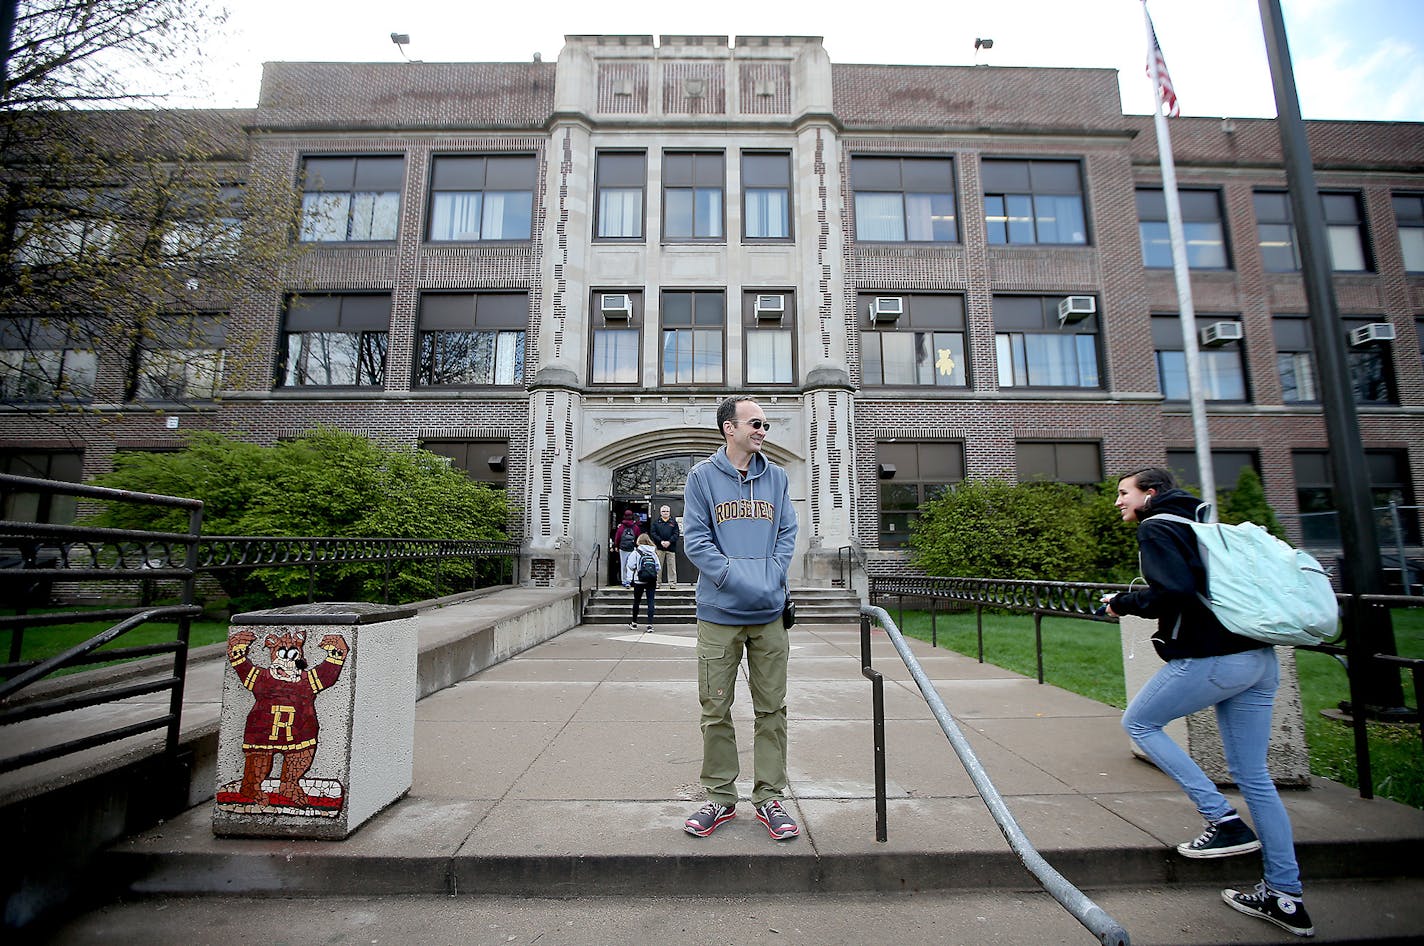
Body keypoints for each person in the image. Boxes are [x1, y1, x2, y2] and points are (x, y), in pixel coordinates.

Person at [1105, 467, 1313, 938]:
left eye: (1123, 494)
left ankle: (1222, 819)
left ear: (1150, 494)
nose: (1118, 502)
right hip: (1259, 657)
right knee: (1255, 777)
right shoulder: (1203, 525)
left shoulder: (1157, 525)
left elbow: (1172, 592)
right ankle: (1285, 895)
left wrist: (1123, 602)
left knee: (1139, 723)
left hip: (1215, 658)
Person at [680, 395, 799, 842]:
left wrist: (770, 575)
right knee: (715, 710)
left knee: (772, 709)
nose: (762, 430)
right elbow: (695, 539)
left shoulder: (778, 479)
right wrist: (735, 576)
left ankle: (769, 798)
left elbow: (787, 532)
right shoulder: (701, 478)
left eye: (765, 424)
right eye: (754, 423)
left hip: (769, 615)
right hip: (719, 613)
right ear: (729, 428)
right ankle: (719, 797)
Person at [622, 533, 659, 631]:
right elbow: (657, 566)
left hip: (639, 579)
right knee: (650, 601)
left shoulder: (636, 552)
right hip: (651, 580)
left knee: (637, 601)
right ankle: (650, 625)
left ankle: (634, 623)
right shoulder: (653, 552)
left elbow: (630, 565)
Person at [648, 504, 681, 587]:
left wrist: (669, 541)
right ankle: (657, 583)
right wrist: (661, 541)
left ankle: (672, 583)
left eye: (667, 511)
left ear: (669, 512)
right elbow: (653, 533)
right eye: (663, 511)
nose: (665, 513)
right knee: (658, 567)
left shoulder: (673, 523)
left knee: (672, 567)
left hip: (671, 548)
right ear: (660, 512)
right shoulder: (656, 523)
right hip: (659, 548)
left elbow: (676, 534)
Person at [612, 508, 640, 579]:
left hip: (623, 548)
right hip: (632, 548)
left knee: (623, 565)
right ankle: (632, 580)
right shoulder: (635, 527)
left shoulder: (621, 527)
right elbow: (638, 537)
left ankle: (624, 580)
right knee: (633, 564)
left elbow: (617, 537)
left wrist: (616, 546)